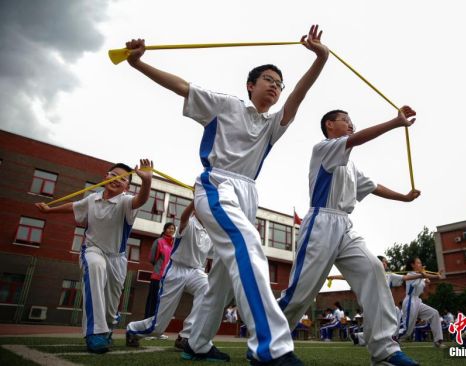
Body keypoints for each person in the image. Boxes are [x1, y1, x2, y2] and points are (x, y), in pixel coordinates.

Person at [125, 24, 329, 365]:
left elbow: (298, 98)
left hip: (249, 194)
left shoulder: (271, 126)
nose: (276, 88)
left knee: (221, 280)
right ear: (251, 85)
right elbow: (181, 86)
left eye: (279, 85)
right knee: (248, 248)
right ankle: (271, 348)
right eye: (269, 80)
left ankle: (196, 342)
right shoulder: (225, 105)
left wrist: (320, 60)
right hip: (217, 183)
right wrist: (138, 64)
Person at [277, 108, 421, 366]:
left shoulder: (350, 164)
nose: (351, 124)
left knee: (374, 268)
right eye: (346, 120)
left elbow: (374, 186)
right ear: (330, 125)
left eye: (352, 121)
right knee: (301, 293)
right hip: (320, 223)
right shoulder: (324, 148)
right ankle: (267, 339)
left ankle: (385, 349)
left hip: (345, 225)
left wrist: (404, 197)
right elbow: (356, 140)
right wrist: (395, 122)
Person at [35, 160, 153, 353]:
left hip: (117, 258)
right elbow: (73, 206)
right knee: (95, 267)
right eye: (113, 174)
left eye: (122, 179)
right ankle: (94, 333)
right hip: (92, 250)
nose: (116, 179)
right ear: (105, 176)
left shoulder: (125, 201)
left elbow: (141, 200)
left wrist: (147, 182)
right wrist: (49, 210)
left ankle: (106, 329)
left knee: (111, 305)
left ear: (127, 187)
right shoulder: (92, 199)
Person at [126, 201, 212, 350]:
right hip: (176, 270)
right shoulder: (189, 223)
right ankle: (133, 329)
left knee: (209, 289)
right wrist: (194, 200)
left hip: (196, 271)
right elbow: (184, 218)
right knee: (158, 328)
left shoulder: (210, 233)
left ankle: (185, 336)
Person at [400, 257, 446, 348]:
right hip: (410, 302)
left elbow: (425, 277)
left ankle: (438, 341)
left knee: (434, 313)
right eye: (418, 263)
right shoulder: (410, 274)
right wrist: (429, 276)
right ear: (412, 265)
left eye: (420, 263)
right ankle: (393, 339)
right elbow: (424, 276)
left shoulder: (420, 275)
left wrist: (435, 276)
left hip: (417, 301)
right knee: (408, 330)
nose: (420, 265)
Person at [143, 222, 175, 340]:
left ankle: (158, 331)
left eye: (173, 228)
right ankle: (147, 330)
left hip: (168, 279)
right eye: (169, 228)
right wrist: (159, 268)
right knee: (152, 303)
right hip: (157, 277)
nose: (171, 230)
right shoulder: (159, 241)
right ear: (165, 229)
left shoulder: (174, 244)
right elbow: (152, 258)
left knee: (162, 305)